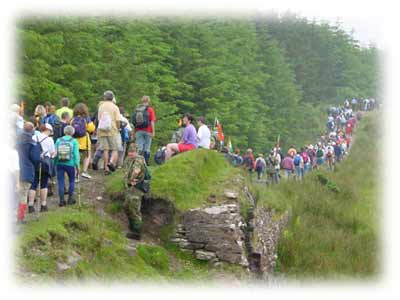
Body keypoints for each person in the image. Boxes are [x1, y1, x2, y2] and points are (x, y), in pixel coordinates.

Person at [123, 143, 149, 240]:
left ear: (136, 152)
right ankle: (132, 225)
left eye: (132, 152)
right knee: (126, 206)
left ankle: (137, 232)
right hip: (130, 189)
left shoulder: (138, 159)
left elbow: (136, 171)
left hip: (137, 188)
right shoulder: (129, 159)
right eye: (129, 152)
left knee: (134, 208)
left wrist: (130, 180)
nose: (130, 154)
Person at [28, 123, 56, 213]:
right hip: (45, 163)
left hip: (34, 162)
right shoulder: (49, 140)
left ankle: (31, 205)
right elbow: (52, 153)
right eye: (50, 131)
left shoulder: (33, 138)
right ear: (47, 130)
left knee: (33, 184)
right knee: (44, 183)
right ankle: (43, 205)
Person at [16, 122, 41, 222]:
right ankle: (20, 217)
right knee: (23, 194)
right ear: (32, 130)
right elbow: (35, 159)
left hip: (13, 170)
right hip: (26, 171)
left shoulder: (16, 142)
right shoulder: (32, 143)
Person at [54, 125, 80, 206]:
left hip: (60, 163)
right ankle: (70, 199)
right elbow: (76, 154)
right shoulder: (74, 141)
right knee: (72, 180)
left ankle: (61, 200)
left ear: (64, 132)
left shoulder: (58, 140)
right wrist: (77, 166)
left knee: (61, 181)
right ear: (73, 132)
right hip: (70, 164)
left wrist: (55, 163)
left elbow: (55, 153)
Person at [97, 90, 121, 174]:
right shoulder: (115, 107)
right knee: (115, 149)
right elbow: (118, 120)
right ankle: (111, 162)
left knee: (105, 150)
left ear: (105, 97)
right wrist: (118, 128)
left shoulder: (101, 106)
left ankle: (106, 168)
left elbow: (99, 119)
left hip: (102, 130)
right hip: (113, 130)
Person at [72, 103, 95, 179]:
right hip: (85, 141)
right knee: (87, 156)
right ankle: (84, 171)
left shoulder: (73, 119)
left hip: (74, 141)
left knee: (76, 157)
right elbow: (91, 128)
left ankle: (76, 173)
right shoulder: (86, 118)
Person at [132, 96, 156, 165]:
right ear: (148, 101)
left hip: (138, 130)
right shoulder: (150, 109)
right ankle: (146, 163)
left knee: (139, 147)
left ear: (142, 101)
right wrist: (153, 131)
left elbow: (134, 122)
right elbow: (152, 121)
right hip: (148, 131)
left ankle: (138, 162)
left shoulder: (137, 109)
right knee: (147, 147)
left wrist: (133, 133)